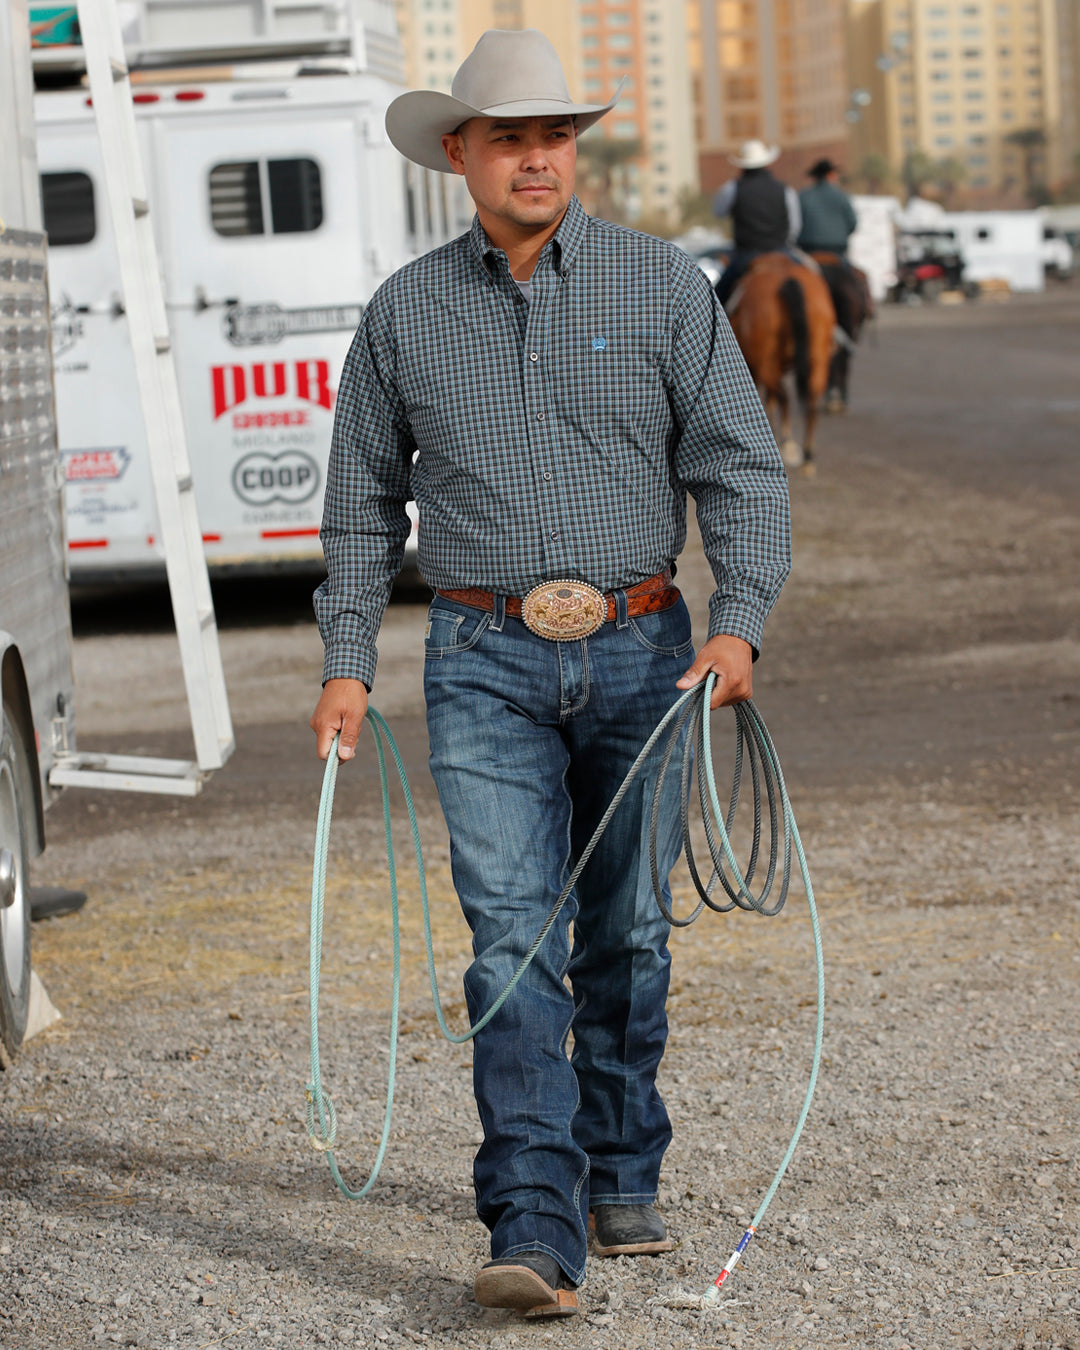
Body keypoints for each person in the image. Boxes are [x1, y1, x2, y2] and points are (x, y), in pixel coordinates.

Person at [310, 28, 791, 1319]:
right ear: (457, 151)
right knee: (513, 936)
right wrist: (346, 661)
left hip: (646, 647)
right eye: (510, 137)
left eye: (555, 136)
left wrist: (736, 621)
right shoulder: (406, 312)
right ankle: (533, 1216)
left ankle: (624, 1157)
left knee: (629, 926)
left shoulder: (661, 286)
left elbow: (738, 466)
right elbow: (359, 502)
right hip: (479, 655)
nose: (537, 157)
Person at [712, 139, 802, 310]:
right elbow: (795, 225)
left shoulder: (732, 188)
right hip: (780, 250)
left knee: (716, 297)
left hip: (746, 254)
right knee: (813, 277)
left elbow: (718, 212)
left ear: (742, 165)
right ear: (766, 163)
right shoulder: (785, 189)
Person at [797, 158, 858, 258]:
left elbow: (796, 224)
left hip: (809, 248)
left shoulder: (803, 196)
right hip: (836, 248)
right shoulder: (841, 195)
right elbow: (852, 223)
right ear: (830, 175)